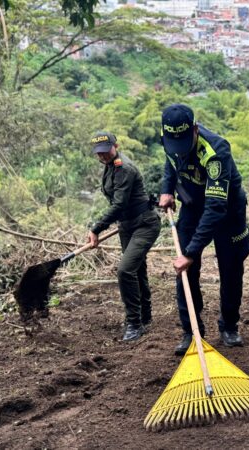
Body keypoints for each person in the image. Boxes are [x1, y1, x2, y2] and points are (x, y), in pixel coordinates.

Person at [158, 104, 249, 355]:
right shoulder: (169, 141)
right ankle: (192, 332)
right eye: (173, 142)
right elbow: (170, 162)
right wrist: (167, 189)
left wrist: (191, 251)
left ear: (195, 130)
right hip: (192, 206)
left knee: (231, 268)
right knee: (185, 272)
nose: (179, 148)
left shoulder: (216, 150)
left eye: (184, 142)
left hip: (226, 209)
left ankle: (229, 326)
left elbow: (215, 208)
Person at [88, 131, 161, 342]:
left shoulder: (123, 168)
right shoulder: (109, 166)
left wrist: (96, 229)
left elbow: (119, 204)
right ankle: (145, 317)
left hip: (145, 224)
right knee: (137, 270)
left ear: (116, 145)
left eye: (105, 151)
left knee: (125, 270)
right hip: (127, 225)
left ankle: (134, 324)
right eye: (98, 153)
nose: (102, 156)